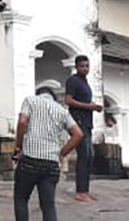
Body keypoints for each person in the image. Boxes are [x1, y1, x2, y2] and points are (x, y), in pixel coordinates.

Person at [13, 87, 84, 221]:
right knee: (48, 205)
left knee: (21, 198)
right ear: (53, 97)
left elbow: (22, 122)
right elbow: (78, 134)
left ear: (38, 93)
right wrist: (62, 153)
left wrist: (18, 146)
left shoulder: (30, 100)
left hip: (29, 160)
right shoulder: (62, 110)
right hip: (51, 164)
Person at [63, 55, 103, 202]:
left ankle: (85, 190)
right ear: (76, 67)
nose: (85, 68)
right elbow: (68, 100)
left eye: (87, 66)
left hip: (87, 122)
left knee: (89, 156)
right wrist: (89, 106)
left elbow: (84, 100)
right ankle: (80, 191)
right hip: (78, 122)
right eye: (82, 66)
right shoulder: (73, 81)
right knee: (84, 155)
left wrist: (94, 106)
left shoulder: (84, 82)